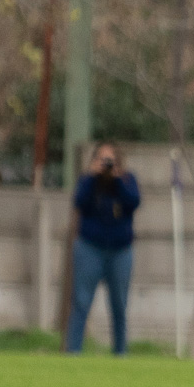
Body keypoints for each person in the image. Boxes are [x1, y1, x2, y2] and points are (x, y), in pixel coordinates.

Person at [65, 142, 140, 355]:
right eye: (102, 159)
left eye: (110, 160)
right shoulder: (88, 181)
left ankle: (120, 354)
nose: (106, 164)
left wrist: (117, 180)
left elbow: (133, 202)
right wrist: (91, 177)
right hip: (90, 248)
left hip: (120, 251)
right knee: (81, 302)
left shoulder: (127, 180)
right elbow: (80, 202)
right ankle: (73, 353)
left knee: (119, 307)